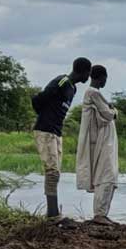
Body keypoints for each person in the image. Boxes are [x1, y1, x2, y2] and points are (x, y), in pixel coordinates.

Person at [32, 57, 91, 218]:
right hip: (46, 130)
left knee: (56, 172)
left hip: (57, 132)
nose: (89, 77)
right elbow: (39, 99)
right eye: (88, 73)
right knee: (52, 172)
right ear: (83, 71)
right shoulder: (62, 81)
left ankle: (53, 213)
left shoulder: (73, 88)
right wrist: (46, 118)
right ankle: (52, 215)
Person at [75, 65, 119, 223]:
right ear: (101, 77)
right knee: (107, 174)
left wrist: (110, 110)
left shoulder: (94, 94)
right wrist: (114, 111)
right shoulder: (93, 92)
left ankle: (102, 214)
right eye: (105, 78)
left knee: (107, 174)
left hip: (103, 140)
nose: (105, 81)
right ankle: (100, 215)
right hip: (101, 142)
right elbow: (107, 114)